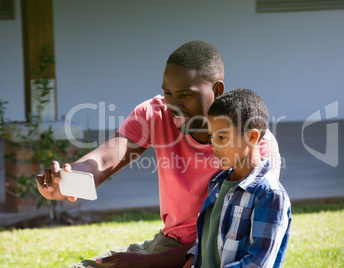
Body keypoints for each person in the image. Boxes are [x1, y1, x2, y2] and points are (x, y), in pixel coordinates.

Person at [35, 41, 282, 268]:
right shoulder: (155, 114)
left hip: (219, 255)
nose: (173, 104)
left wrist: (147, 264)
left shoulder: (253, 146)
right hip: (172, 246)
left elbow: (233, 241)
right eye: (168, 93)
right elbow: (106, 158)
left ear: (217, 89)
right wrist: (69, 179)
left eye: (185, 94)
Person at [183, 88, 291, 268]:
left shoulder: (269, 195)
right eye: (212, 137)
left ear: (252, 136)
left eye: (222, 137)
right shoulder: (218, 182)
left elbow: (257, 263)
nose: (214, 146)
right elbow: (206, 241)